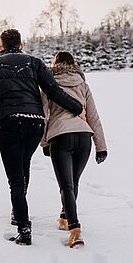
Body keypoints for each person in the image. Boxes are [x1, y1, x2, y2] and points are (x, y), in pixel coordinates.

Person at [0, 29, 85, 245]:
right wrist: (76, 107)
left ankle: (24, 229)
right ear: (21, 44)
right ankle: (17, 212)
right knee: (23, 164)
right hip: (35, 122)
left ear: (1, 46)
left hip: (10, 122)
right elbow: (53, 91)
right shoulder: (34, 62)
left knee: (15, 179)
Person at [41, 51, 107, 248]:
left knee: (66, 185)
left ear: (55, 64)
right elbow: (93, 116)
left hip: (61, 137)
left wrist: (44, 142)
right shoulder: (83, 84)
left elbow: (45, 115)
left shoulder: (49, 85)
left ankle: (74, 229)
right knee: (73, 182)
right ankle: (64, 216)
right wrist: (100, 146)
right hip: (84, 138)